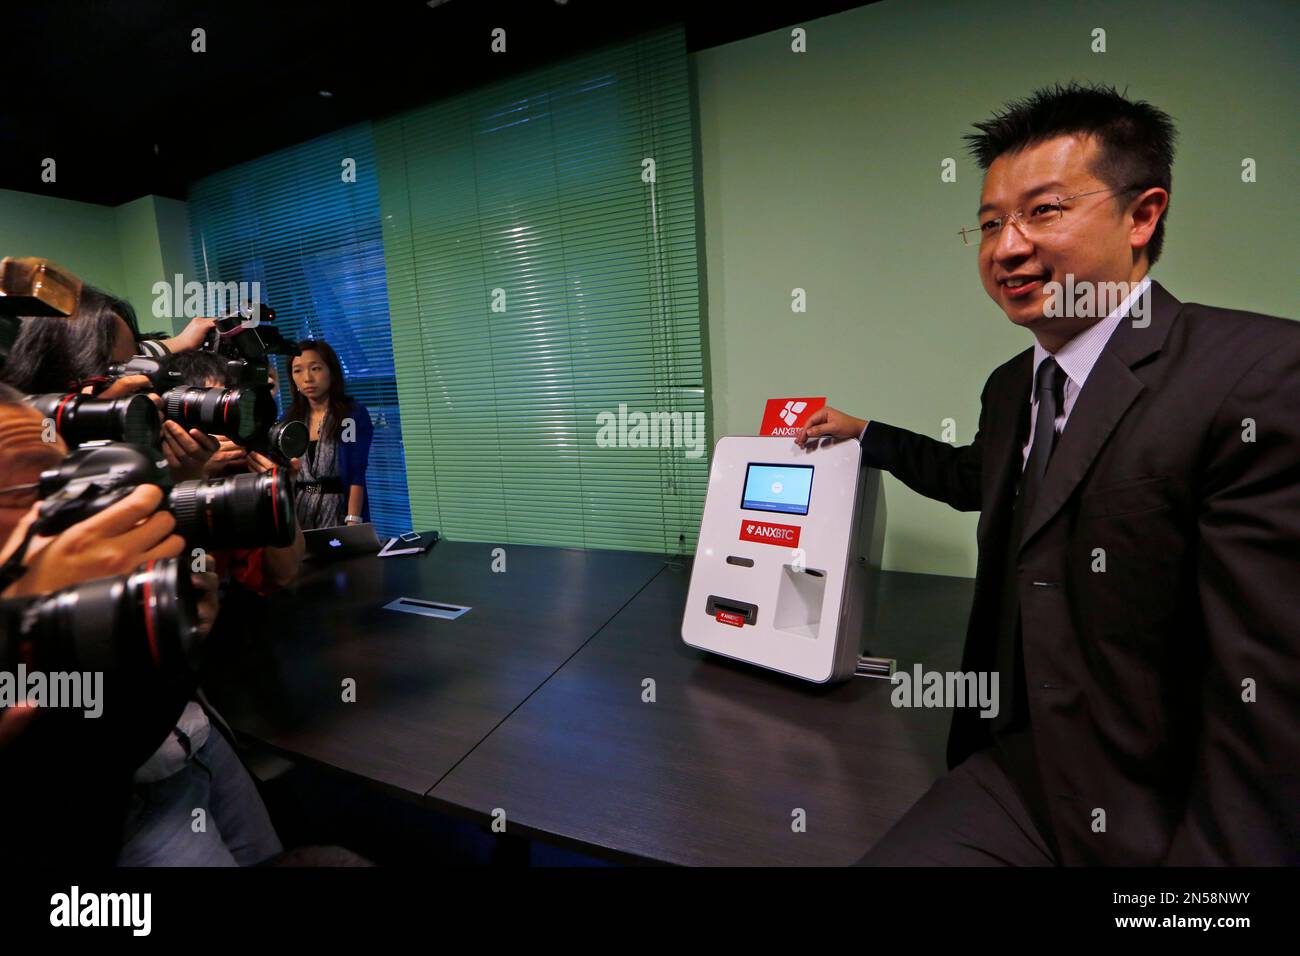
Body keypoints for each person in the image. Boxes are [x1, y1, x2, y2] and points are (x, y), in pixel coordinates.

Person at [796, 83, 1300, 865]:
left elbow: (1270, 697)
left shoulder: (1257, 374)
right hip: (1019, 766)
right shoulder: (1011, 385)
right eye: (991, 222)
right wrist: (868, 435)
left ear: (1143, 214)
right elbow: (979, 480)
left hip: (1165, 800)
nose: (1006, 247)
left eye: (1045, 211)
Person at [282, 339, 373, 530]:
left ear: (331, 371)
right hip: (299, 513)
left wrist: (353, 521)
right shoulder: (289, 419)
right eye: (297, 370)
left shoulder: (351, 415)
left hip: (338, 509)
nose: (307, 378)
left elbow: (357, 472)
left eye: (315, 368)